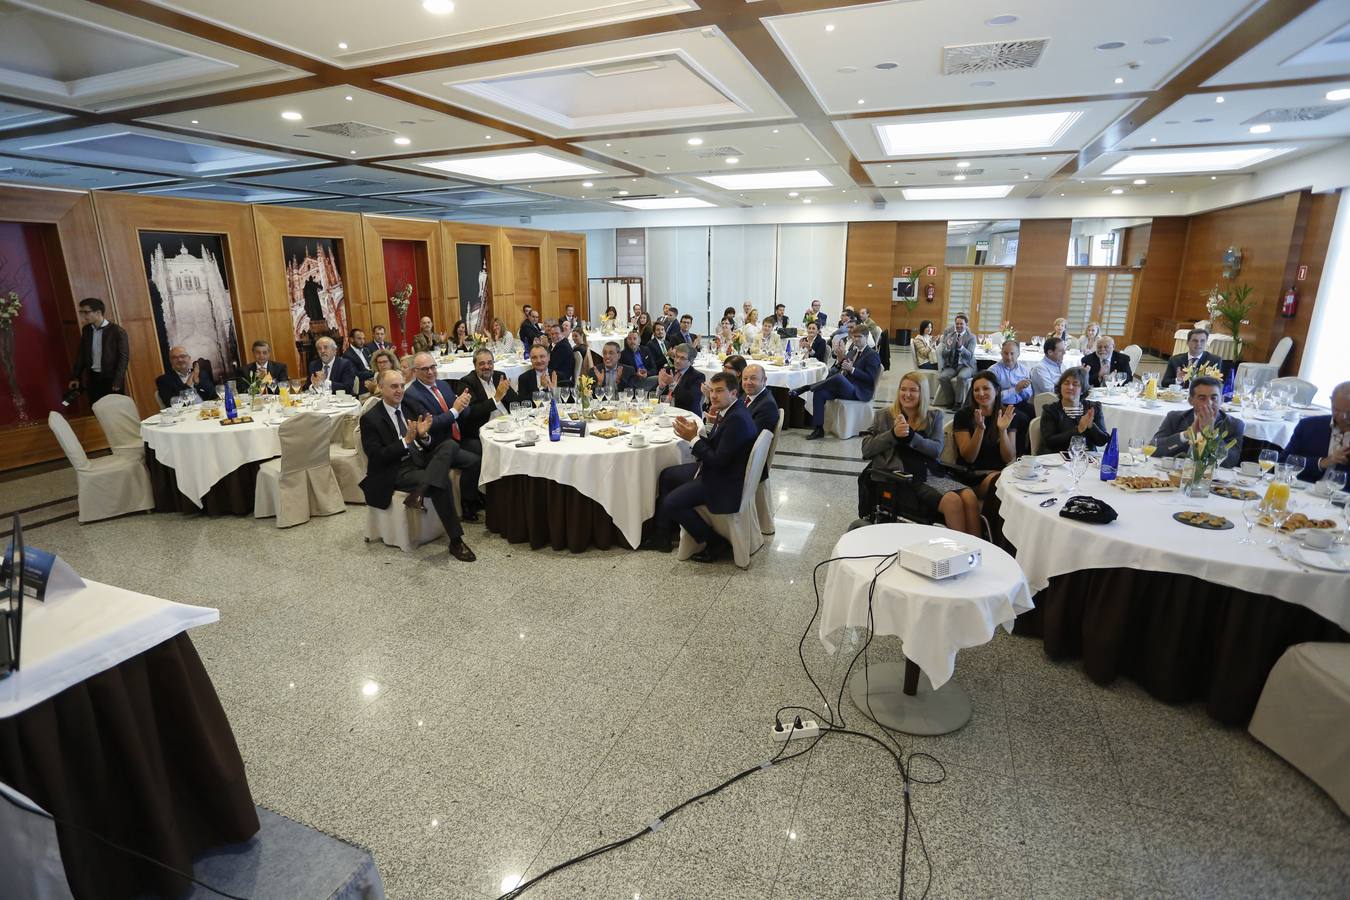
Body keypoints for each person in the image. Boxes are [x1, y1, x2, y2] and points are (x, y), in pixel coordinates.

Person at [359, 369, 474, 562]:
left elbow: (426, 441)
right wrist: (405, 441)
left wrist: (424, 435)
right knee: (441, 483)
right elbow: (376, 456)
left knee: (450, 445)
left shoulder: (408, 405)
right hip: (397, 469)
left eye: (402, 386)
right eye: (393, 386)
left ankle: (422, 489)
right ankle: (456, 541)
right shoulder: (371, 418)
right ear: (381, 388)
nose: (399, 390)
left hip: (421, 458)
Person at [642, 372, 759, 560]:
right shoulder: (732, 410)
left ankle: (714, 542)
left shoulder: (736, 420)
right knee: (667, 475)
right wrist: (695, 434)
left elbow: (716, 461)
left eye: (719, 391)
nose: (713, 396)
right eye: (712, 391)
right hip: (726, 470)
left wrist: (693, 439)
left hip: (725, 482)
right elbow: (719, 447)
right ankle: (662, 535)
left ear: (733, 393)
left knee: (671, 503)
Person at [859, 372, 981, 535]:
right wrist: (893, 434)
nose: (907, 394)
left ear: (922, 393)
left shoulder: (933, 416)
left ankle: (978, 547)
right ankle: (960, 548)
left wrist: (911, 436)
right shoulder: (884, 416)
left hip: (932, 473)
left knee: (969, 497)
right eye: (903, 389)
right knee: (952, 501)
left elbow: (936, 450)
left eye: (913, 390)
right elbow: (867, 449)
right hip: (905, 477)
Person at [403, 352, 484, 519]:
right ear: (415, 371)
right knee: (474, 461)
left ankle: (477, 493)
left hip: (456, 437)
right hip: (437, 445)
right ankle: (467, 504)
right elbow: (431, 424)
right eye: (425, 369)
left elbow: (460, 413)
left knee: (483, 447)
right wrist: (455, 410)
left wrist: (464, 404)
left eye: (433, 367)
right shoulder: (412, 395)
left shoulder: (442, 385)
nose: (430, 372)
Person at [804, 325, 882, 440]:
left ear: (866, 337)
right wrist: (840, 360)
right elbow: (843, 369)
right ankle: (818, 429)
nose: (855, 339)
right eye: (854, 336)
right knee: (820, 393)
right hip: (847, 387)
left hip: (860, 391)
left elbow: (870, 378)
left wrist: (852, 369)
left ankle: (807, 387)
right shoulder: (852, 351)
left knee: (839, 378)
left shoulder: (872, 354)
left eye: (859, 337)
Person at [952, 370, 1020, 499]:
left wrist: (1002, 430)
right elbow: (969, 458)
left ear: (997, 390)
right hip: (972, 475)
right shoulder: (963, 415)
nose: (981, 393)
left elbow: (1008, 457)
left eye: (986, 388)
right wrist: (980, 428)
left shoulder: (1007, 415)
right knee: (1000, 483)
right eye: (976, 390)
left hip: (1000, 474)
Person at [1150, 376, 1244, 467]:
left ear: (1222, 400)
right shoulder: (1175, 418)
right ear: (1191, 401)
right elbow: (1153, 450)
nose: (1209, 403)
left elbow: (1231, 462)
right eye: (1202, 398)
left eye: (1213, 398)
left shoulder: (1234, 425)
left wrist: (1211, 435)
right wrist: (1186, 434)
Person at [1281, 381, 1349, 483]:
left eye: (1349, 412)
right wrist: (1322, 462)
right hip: (1304, 489)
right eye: (1337, 410)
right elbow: (1283, 462)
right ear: (1331, 401)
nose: (1343, 417)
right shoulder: (1309, 426)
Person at [68, 298, 129, 403]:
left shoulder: (117, 331)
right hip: (93, 377)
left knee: (113, 408)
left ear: (98, 312)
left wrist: (118, 380)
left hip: (111, 378)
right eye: (81, 312)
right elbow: (81, 355)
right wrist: (75, 377)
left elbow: (123, 358)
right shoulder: (87, 330)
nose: (83, 316)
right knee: (95, 407)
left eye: (86, 312)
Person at [1040, 368, 1109, 452]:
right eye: (1066, 383)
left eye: (1075, 384)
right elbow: (1049, 442)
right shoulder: (1050, 410)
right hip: (1058, 456)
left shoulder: (1093, 407)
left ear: (1082, 390)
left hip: (1087, 457)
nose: (1070, 387)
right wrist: (1078, 430)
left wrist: (1091, 426)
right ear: (1060, 387)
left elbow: (1102, 441)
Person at [459, 349, 521, 440]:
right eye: (482, 364)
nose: (487, 367)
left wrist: (507, 391)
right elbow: (472, 411)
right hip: (486, 429)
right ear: (475, 365)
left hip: (509, 424)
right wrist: (496, 398)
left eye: (490, 363)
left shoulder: (499, 376)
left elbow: (515, 401)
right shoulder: (467, 382)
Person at [937, 314, 977, 407]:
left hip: (967, 365)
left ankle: (958, 403)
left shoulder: (971, 337)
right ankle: (950, 401)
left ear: (966, 325)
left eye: (961, 324)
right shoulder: (950, 335)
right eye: (957, 324)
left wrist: (961, 347)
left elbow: (970, 356)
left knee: (961, 377)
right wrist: (947, 348)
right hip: (953, 365)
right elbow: (944, 355)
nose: (959, 326)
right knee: (942, 377)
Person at [989, 339, 1034, 419]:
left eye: (1012, 353)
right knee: (1023, 418)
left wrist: (1022, 389)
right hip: (1001, 405)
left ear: (1018, 354)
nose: (1009, 357)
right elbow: (992, 396)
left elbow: (1028, 395)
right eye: (1006, 353)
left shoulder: (1024, 370)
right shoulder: (993, 371)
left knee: (1038, 413)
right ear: (1001, 353)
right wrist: (1015, 389)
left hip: (1020, 402)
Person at [655, 344, 704, 414]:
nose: (677, 361)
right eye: (676, 356)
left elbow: (691, 400)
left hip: (685, 415)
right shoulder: (668, 371)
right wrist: (660, 387)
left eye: (682, 358)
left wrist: (672, 384)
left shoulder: (697, 376)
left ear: (691, 361)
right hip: (664, 412)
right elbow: (650, 396)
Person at [547, 322, 575, 386]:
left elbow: (552, 365)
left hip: (561, 379)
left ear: (562, 333)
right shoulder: (555, 344)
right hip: (556, 374)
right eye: (552, 334)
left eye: (557, 333)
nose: (554, 336)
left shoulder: (563, 347)